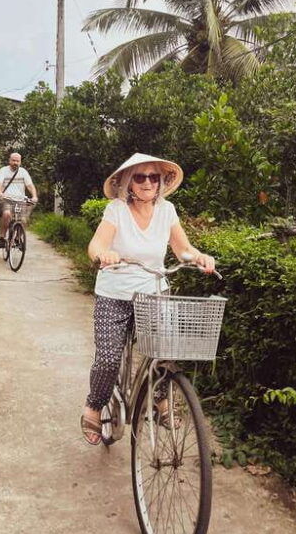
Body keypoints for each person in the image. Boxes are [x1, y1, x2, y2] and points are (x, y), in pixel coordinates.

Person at [81, 152, 216, 445]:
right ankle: (93, 405)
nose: (147, 182)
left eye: (153, 177)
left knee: (164, 353)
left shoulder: (167, 211)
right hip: (113, 293)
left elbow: (182, 249)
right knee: (107, 359)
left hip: (152, 292)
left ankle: (159, 399)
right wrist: (103, 254)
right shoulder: (116, 210)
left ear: (161, 182)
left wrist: (198, 257)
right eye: (140, 177)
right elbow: (96, 244)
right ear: (129, 183)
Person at [0, 153, 38, 248]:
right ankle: (2, 238)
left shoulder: (23, 172)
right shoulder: (3, 170)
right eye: (13, 160)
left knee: (23, 220)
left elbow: (30, 186)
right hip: (6, 198)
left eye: (17, 161)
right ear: (9, 160)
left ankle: (18, 238)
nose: (15, 162)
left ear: (20, 162)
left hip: (20, 200)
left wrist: (34, 196)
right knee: (6, 214)